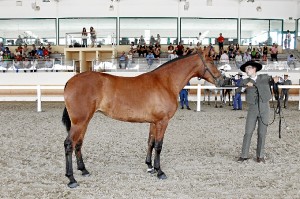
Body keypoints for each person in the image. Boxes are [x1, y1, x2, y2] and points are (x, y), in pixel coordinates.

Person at [236, 61, 279, 163]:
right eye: (246, 69)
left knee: (262, 132)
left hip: (265, 107)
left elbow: (274, 79)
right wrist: (245, 86)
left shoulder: (264, 77)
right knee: (248, 132)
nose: (247, 70)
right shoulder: (244, 81)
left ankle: (260, 155)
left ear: (254, 69)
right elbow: (237, 91)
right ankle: (244, 155)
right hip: (252, 108)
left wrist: (276, 79)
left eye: (248, 68)